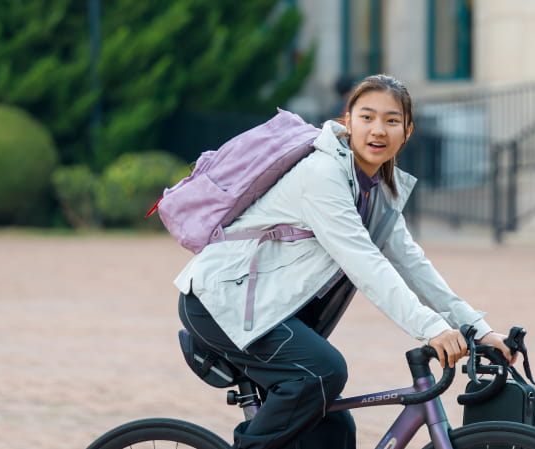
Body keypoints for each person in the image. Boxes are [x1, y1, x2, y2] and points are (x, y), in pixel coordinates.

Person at [176, 74, 515, 449]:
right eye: (367, 117)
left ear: (408, 131)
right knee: (322, 373)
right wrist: (431, 329)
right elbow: (363, 262)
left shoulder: (378, 191)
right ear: (346, 121)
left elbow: (413, 265)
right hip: (222, 304)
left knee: (332, 430)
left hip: (270, 311)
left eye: (391, 120)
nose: (378, 130)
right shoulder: (322, 175)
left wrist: (477, 329)